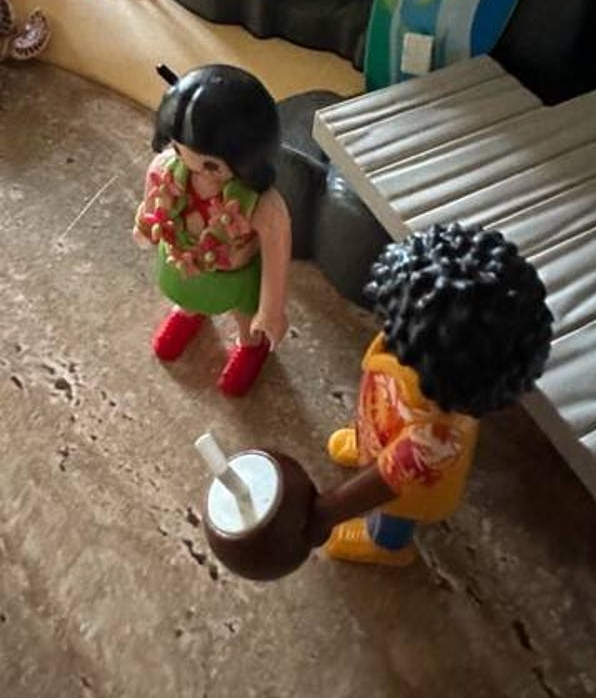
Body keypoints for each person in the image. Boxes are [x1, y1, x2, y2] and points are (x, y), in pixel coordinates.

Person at [309, 222, 553, 565]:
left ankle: (386, 547)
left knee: (392, 516)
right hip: (383, 426)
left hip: (409, 488)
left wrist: (327, 512)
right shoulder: (406, 348)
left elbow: (387, 479)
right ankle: (367, 444)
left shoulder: (436, 434)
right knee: (377, 424)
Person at [133, 64, 291, 396]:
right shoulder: (166, 169)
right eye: (180, 150)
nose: (195, 168)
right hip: (183, 259)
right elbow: (151, 204)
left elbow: (277, 258)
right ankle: (191, 311)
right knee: (188, 294)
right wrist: (147, 224)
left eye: (211, 165)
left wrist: (271, 309)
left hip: (237, 274)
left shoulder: (260, 205)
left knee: (245, 315)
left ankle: (251, 344)